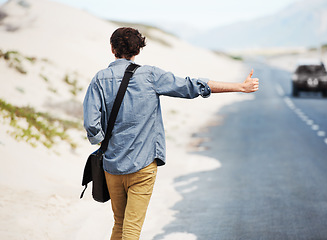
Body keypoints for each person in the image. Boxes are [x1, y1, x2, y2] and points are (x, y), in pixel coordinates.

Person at [83, 27, 259, 240]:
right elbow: (191, 86)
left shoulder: (99, 79)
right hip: (143, 166)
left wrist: (106, 145)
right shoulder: (150, 75)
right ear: (137, 50)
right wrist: (239, 86)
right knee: (131, 229)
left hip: (112, 166)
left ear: (112, 49)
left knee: (119, 224)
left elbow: (91, 124)